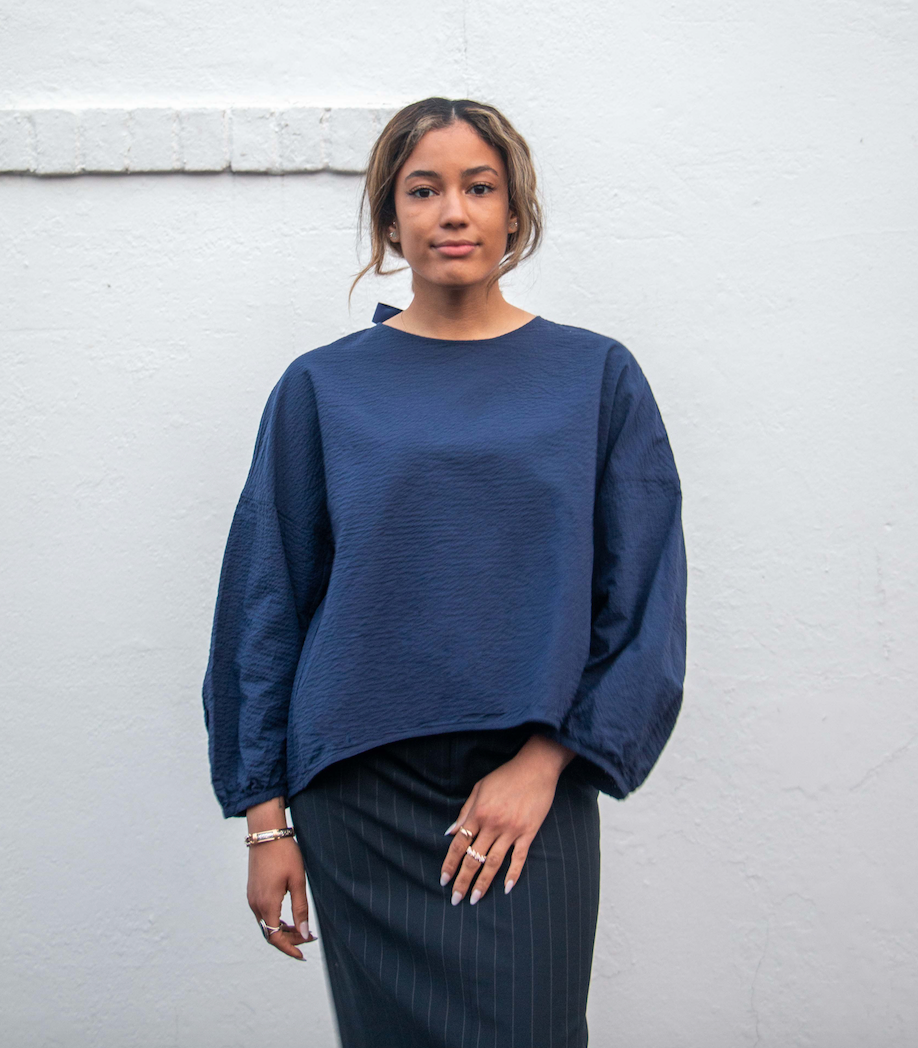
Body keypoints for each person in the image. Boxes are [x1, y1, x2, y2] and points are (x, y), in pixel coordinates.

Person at [202, 96, 687, 1048]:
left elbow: (642, 603)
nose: (452, 212)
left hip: (529, 788)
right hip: (359, 793)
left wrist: (544, 764)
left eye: (479, 187)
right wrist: (266, 821)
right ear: (390, 217)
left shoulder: (596, 377)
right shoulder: (322, 386)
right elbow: (265, 601)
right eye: (423, 190)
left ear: (515, 210)